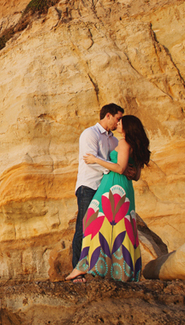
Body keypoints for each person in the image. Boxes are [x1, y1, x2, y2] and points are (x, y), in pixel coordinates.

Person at [66, 115, 151, 282]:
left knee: (92, 219)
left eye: (121, 121)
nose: (118, 123)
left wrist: (95, 159)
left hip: (113, 185)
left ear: (128, 127)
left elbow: (119, 168)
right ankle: (120, 270)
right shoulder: (135, 146)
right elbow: (136, 176)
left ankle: (87, 266)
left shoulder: (125, 143)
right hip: (125, 187)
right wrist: (129, 171)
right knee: (120, 226)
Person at [70, 103, 125, 270]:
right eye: (118, 118)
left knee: (100, 229)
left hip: (105, 188)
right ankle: (77, 270)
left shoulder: (114, 140)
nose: (119, 122)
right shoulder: (90, 134)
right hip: (89, 185)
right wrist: (113, 169)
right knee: (83, 227)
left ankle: (96, 267)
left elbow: (116, 163)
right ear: (108, 116)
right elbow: (91, 160)